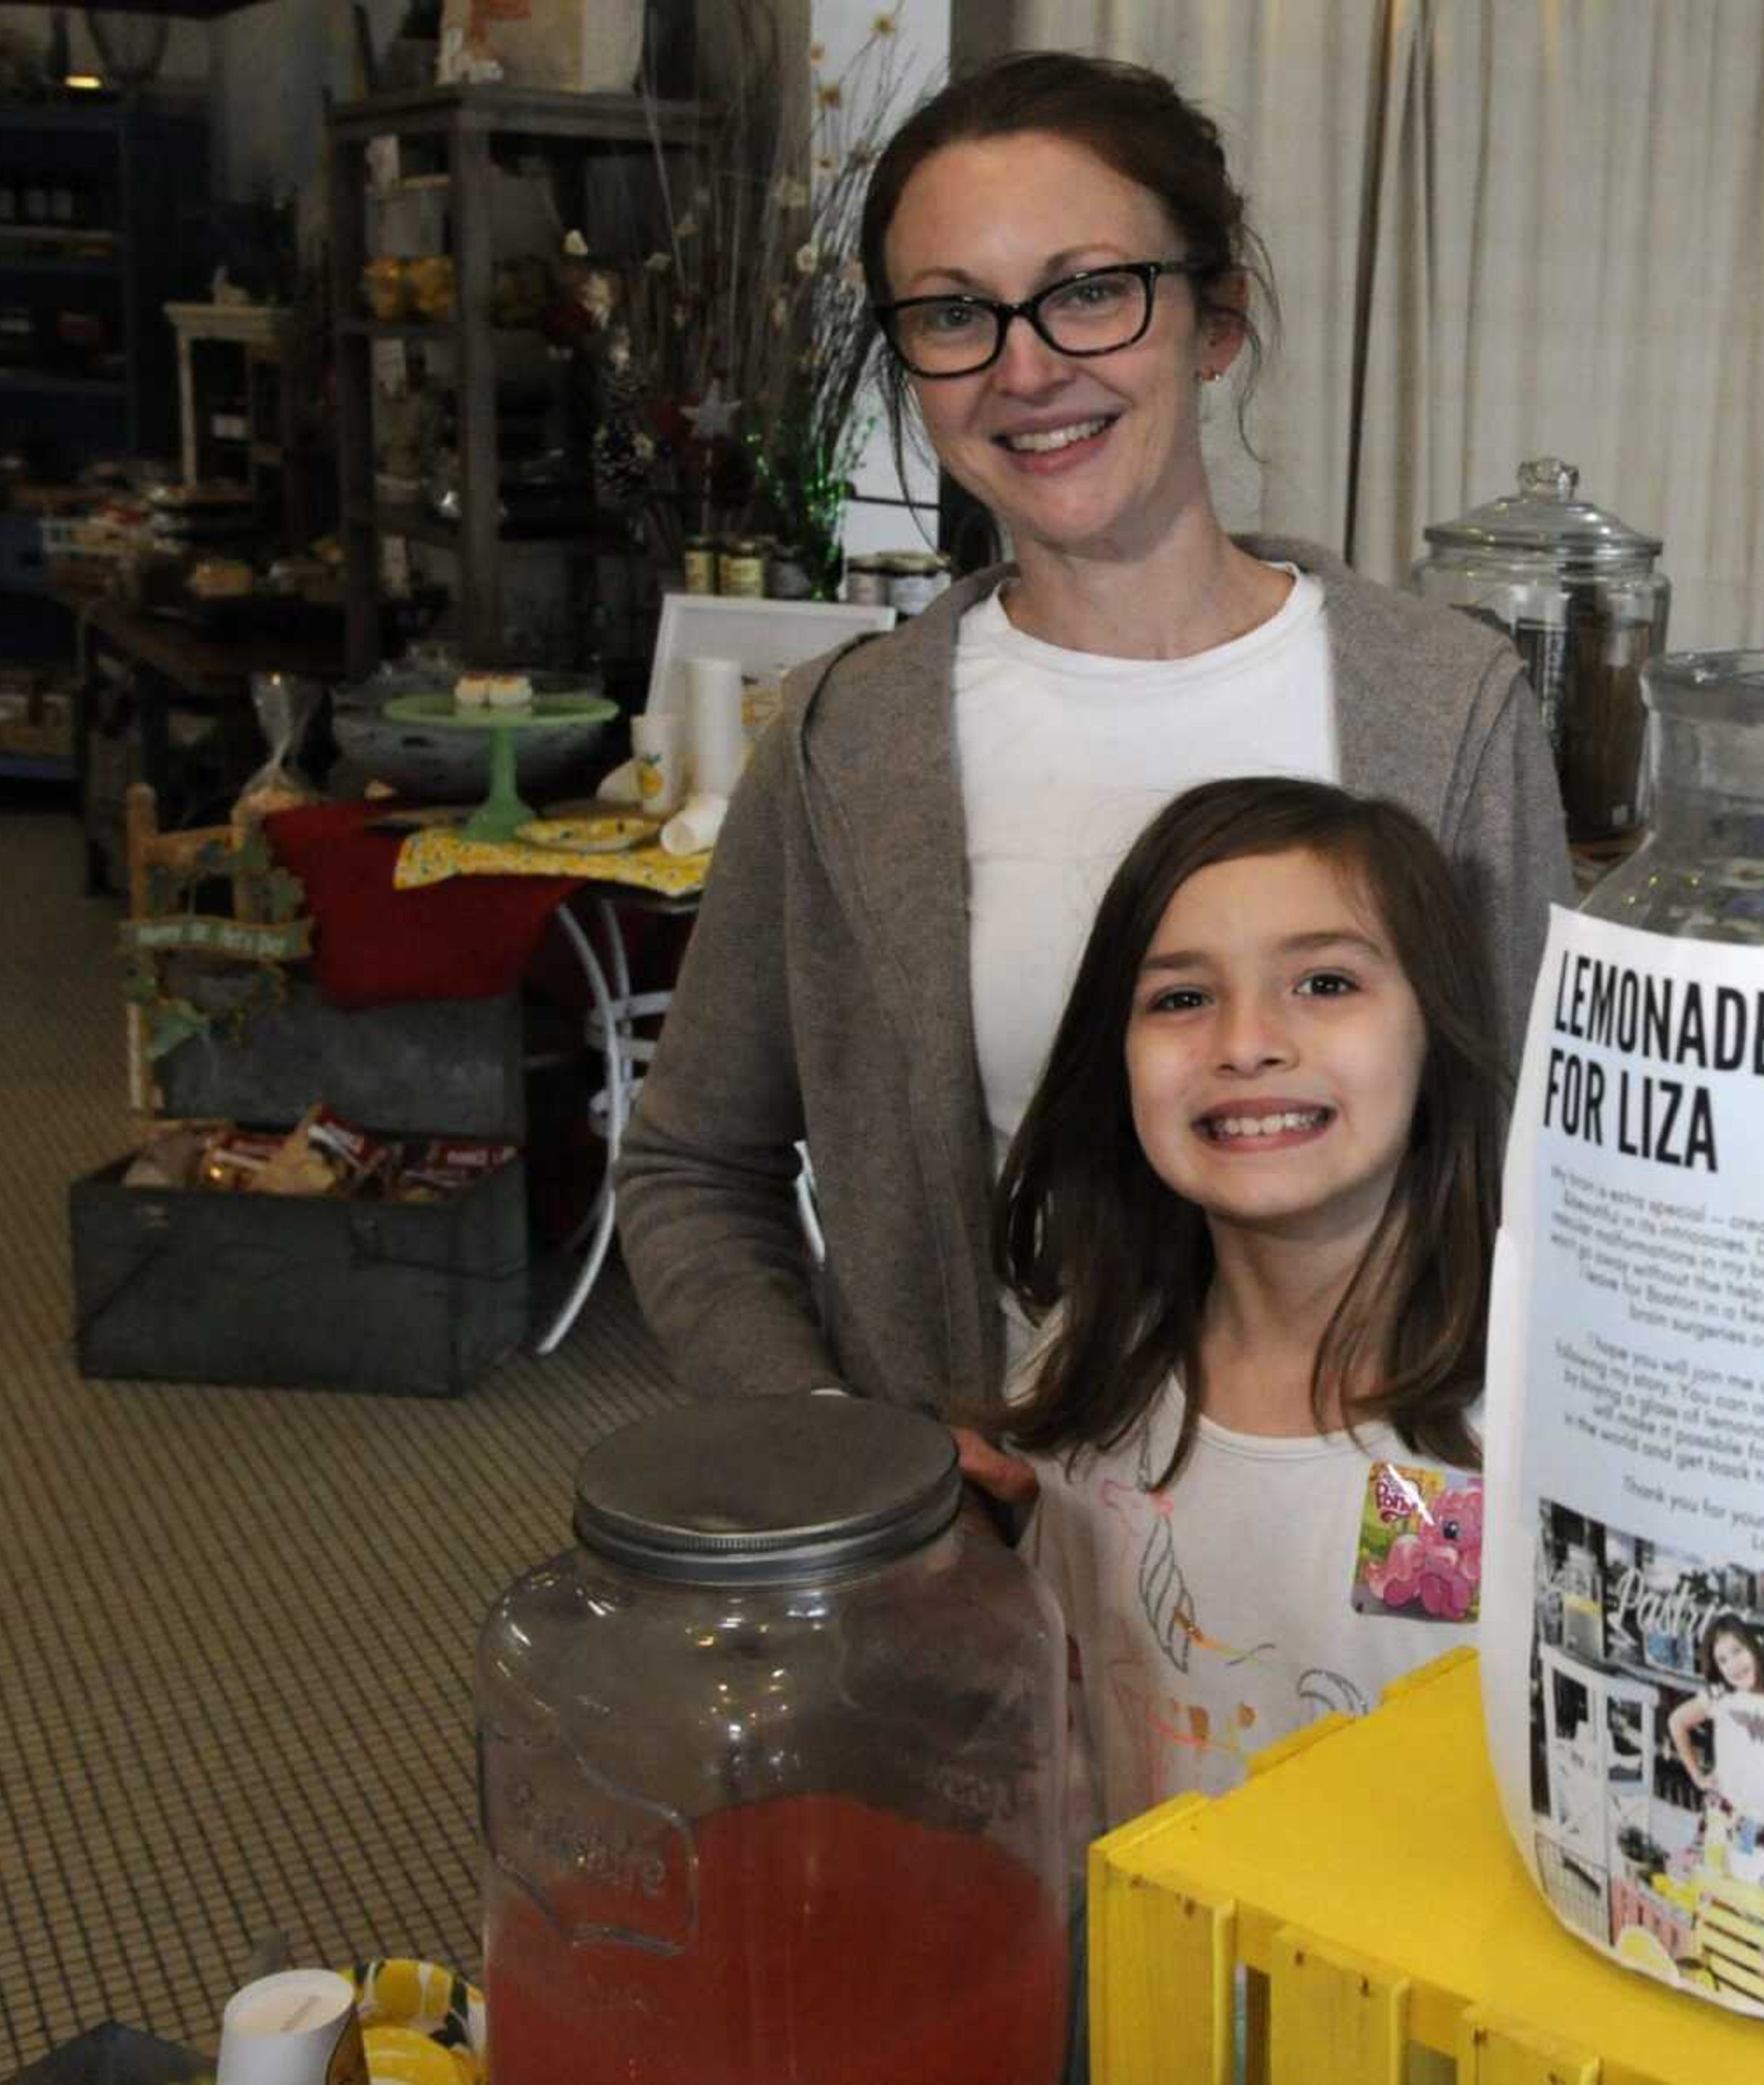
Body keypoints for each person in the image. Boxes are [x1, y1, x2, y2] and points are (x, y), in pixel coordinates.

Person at [613, 51, 1570, 1411]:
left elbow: (1559, 1162)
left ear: (1215, 315)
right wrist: (839, 1452)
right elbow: (693, 1168)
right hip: (988, 1555)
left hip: (1380, 1555)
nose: (1027, 369)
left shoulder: (1445, 706)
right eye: (954, 315)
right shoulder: (847, 748)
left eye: (1089, 291)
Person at [955, 777, 1501, 1834]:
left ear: (1437, 1029)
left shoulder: (1463, 1448)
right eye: (1181, 998)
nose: (1247, 1041)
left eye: (1327, 982)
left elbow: (1400, 1691)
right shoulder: (1086, 1380)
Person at [1668, 1615, 1764, 1872]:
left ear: (1754, 1647)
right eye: (1723, 1660)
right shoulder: (1721, 1698)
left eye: (1737, 1651)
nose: (1733, 1665)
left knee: (1760, 1897)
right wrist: (1698, 1777)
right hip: (1727, 1818)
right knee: (1720, 1889)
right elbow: (1677, 1722)